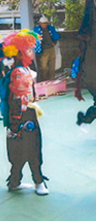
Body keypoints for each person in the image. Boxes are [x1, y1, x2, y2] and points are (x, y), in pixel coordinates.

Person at [0, 29, 49, 195]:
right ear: (20, 53)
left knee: (19, 150)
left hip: (23, 115)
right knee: (31, 148)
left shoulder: (22, 70)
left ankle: (15, 182)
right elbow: (20, 99)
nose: (32, 53)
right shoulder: (19, 72)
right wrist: (18, 121)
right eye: (29, 50)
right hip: (22, 116)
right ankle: (38, 182)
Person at [33, 15, 61, 82]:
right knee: (44, 67)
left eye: (45, 23)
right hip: (43, 50)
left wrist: (54, 42)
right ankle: (44, 79)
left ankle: (51, 79)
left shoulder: (50, 28)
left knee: (52, 66)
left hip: (51, 49)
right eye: (43, 23)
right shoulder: (36, 30)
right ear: (40, 23)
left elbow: (56, 36)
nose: (44, 24)